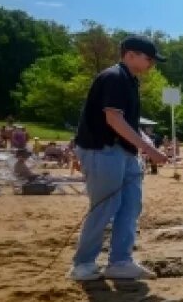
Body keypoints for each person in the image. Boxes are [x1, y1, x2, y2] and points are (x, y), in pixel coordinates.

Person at [69, 36, 169, 281]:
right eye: (149, 59)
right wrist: (150, 150)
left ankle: (120, 261)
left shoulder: (129, 81)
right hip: (102, 150)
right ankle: (83, 263)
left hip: (123, 153)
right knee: (104, 207)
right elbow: (113, 119)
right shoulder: (114, 77)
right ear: (130, 55)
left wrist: (147, 146)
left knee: (131, 206)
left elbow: (130, 124)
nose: (151, 65)